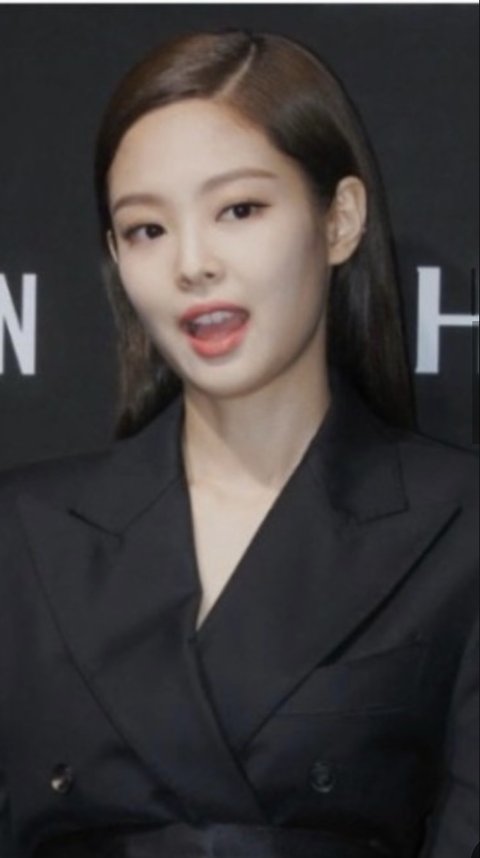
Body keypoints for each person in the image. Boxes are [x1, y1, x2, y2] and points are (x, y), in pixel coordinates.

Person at [0, 28, 478, 858]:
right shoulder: (23, 533)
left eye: (239, 210)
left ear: (340, 220)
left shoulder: (460, 528)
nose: (192, 264)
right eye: (146, 229)